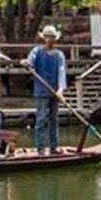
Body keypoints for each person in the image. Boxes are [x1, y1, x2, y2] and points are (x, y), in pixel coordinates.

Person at [25, 24, 66, 155]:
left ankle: (53, 148)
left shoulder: (59, 55)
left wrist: (60, 90)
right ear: (44, 38)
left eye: (52, 37)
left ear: (55, 39)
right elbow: (30, 61)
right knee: (41, 120)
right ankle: (41, 149)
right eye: (47, 37)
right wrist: (26, 63)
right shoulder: (37, 51)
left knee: (54, 120)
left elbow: (61, 71)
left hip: (55, 92)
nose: (50, 39)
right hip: (41, 92)